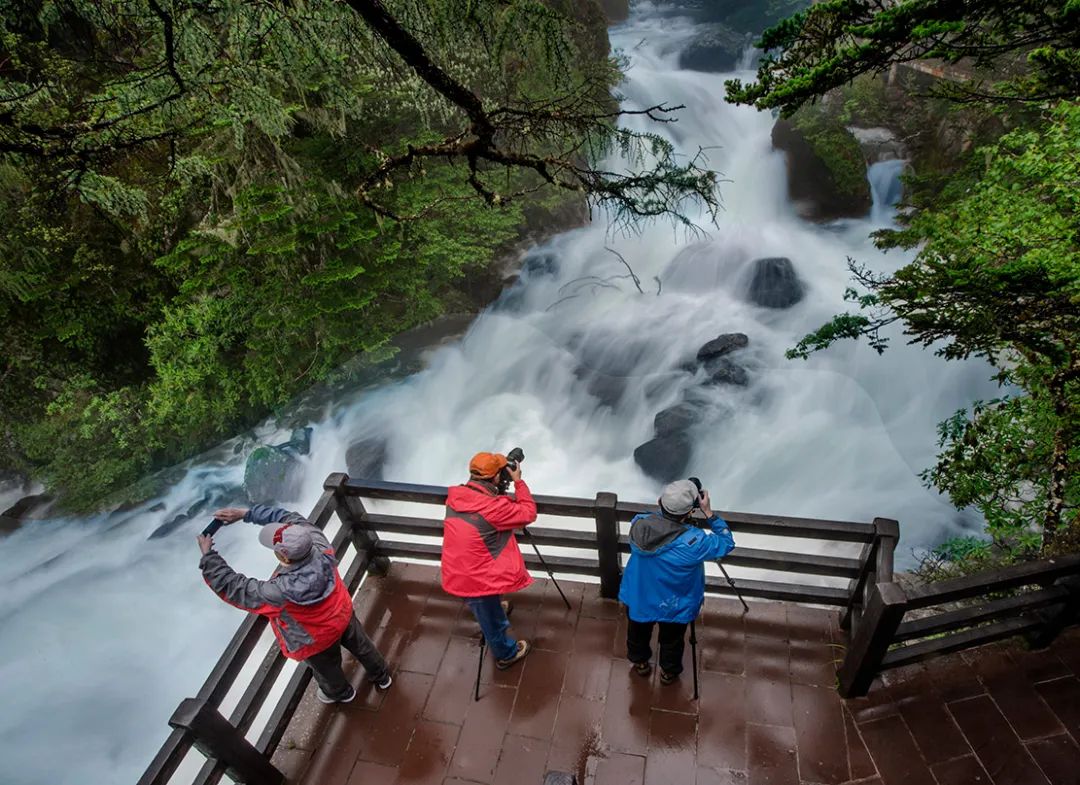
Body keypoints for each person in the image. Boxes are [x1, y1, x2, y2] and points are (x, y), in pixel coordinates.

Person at [196, 504, 392, 704]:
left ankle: (342, 693)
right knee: (363, 647)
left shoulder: (279, 592)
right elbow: (289, 517)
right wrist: (247, 513)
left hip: (316, 641)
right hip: (342, 615)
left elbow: (234, 588)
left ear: (284, 557)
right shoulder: (320, 544)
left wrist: (208, 557)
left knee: (328, 669)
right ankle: (382, 676)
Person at [618, 478, 735, 684]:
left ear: (659, 502)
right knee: (672, 639)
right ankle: (668, 672)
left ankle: (640, 663)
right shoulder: (696, 542)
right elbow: (726, 543)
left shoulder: (639, 524)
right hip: (674, 602)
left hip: (639, 594)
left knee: (637, 632)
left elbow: (655, 519)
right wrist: (709, 513)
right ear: (690, 511)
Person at [441, 452, 538, 669]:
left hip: (457, 565)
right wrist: (519, 482)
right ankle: (506, 654)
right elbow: (528, 513)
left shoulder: (457, 495)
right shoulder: (494, 508)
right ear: (495, 477)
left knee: (485, 602)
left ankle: (492, 606)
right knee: (492, 622)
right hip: (475, 576)